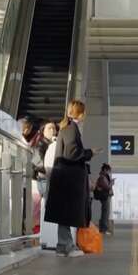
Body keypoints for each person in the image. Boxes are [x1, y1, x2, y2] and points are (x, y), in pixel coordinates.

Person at [44, 100, 100, 257]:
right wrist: (90, 153)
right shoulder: (71, 129)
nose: (85, 115)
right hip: (69, 179)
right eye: (84, 112)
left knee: (64, 213)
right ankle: (67, 246)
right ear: (80, 114)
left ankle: (63, 246)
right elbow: (71, 153)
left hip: (65, 178)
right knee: (67, 213)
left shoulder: (67, 127)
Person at [94, 164, 114, 235]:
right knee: (105, 213)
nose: (109, 172)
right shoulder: (102, 177)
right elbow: (107, 187)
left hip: (105, 197)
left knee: (105, 213)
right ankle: (103, 230)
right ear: (105, 170)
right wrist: (111, 183)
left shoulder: (104, 177)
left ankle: (103, 229)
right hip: (104, 197)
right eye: (108, 171)